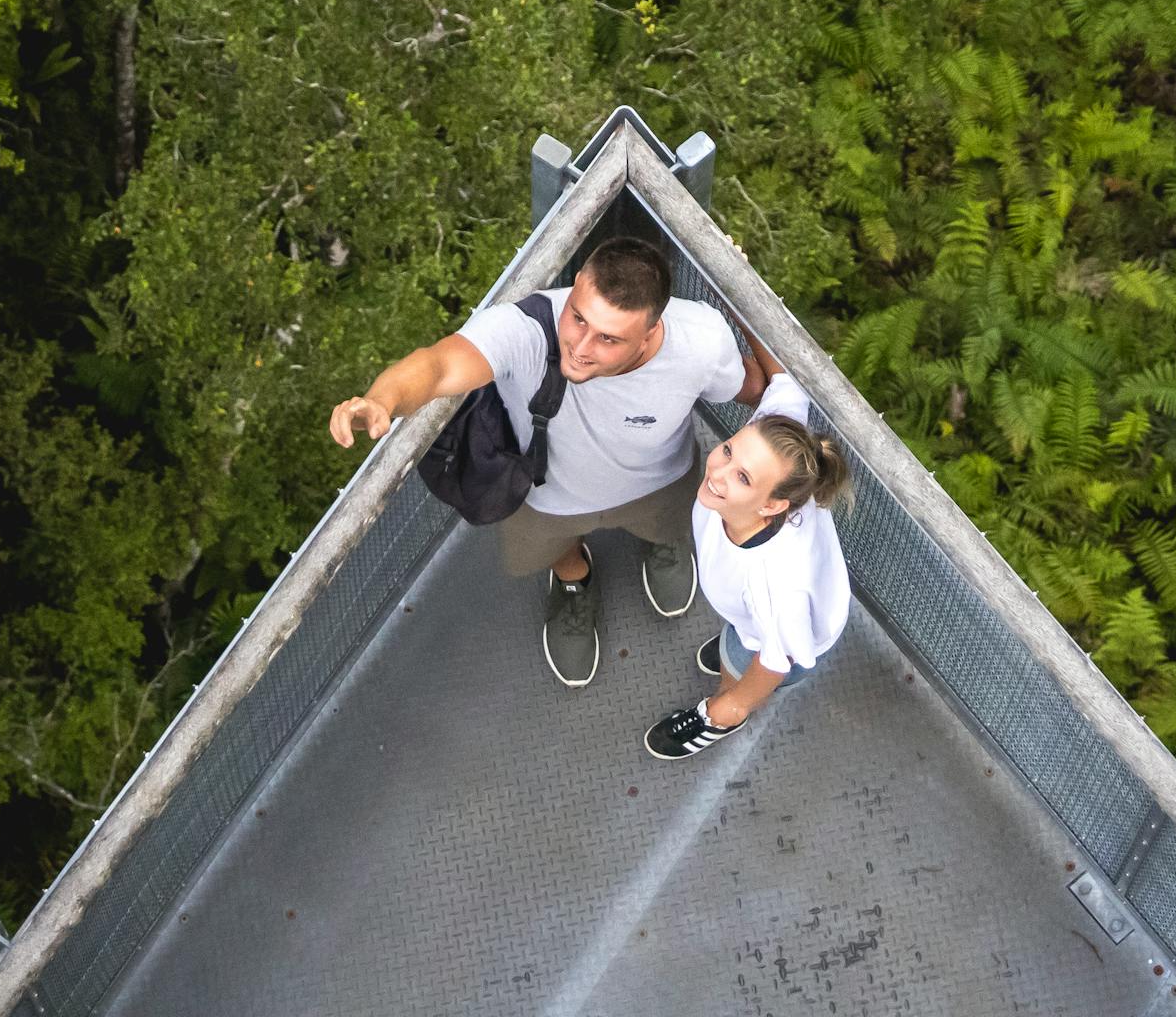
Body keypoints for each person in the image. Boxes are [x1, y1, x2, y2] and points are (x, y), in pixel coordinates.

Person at [330, 236, 763, 687]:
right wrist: (383, 400)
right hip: (548, 494)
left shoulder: (701, 341)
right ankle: (575, 581)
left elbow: (753, 389)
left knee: (667, 522)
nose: (580, 345)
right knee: (550, 547)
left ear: (651, 333)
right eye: (578, 317)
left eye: (609, 339)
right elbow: (437, 365)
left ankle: (663, 544)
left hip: (659, 480)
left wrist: (742, 289)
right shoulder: (529, 329)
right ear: (576, 285)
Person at [645, 370, 852, 760]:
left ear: (771, 505)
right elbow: (786, 380)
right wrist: (747, 311)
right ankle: (733, 645)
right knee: (740, 637)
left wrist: (734, 703)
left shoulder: (773, 587)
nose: (718, 473)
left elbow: (776, 660)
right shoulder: (774, 444)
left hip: (775, 640)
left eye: (742, 477)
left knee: (739, 666)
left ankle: (718, 711)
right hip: (761, 619)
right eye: (727, 451)